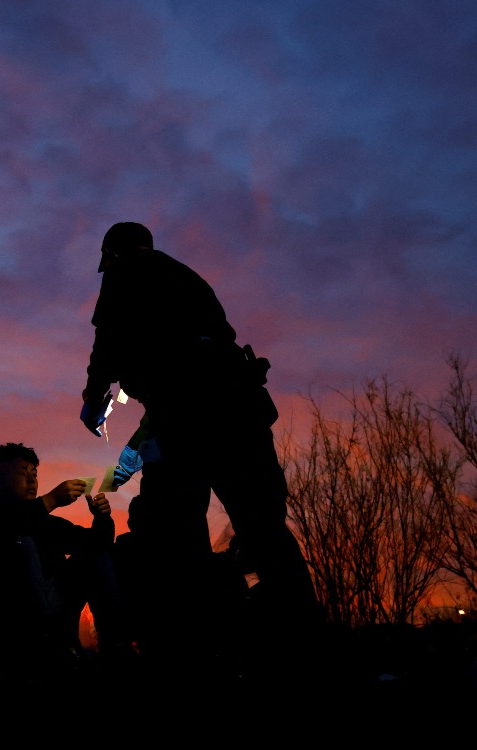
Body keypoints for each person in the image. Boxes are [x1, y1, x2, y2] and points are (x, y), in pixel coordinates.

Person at [80, 221, 324, 671]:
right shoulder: (189, 278)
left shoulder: (124, 273)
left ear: (111, 254)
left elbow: (106, 345)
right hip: (240, 410)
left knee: (172, 529)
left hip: (185, 417)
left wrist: (94, 399)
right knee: (263, 526)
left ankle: (187, 647)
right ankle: (305, 643)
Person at [0, 442, 126, 673]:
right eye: (22, 473)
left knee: (95, 556)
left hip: (51, 616)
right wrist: (51, 500)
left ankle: (114, 646)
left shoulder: (45, 522)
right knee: (22, 544)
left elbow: (96, 545)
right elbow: (5, 527)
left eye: (35, 474)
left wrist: (102, 518)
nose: (32, 480)